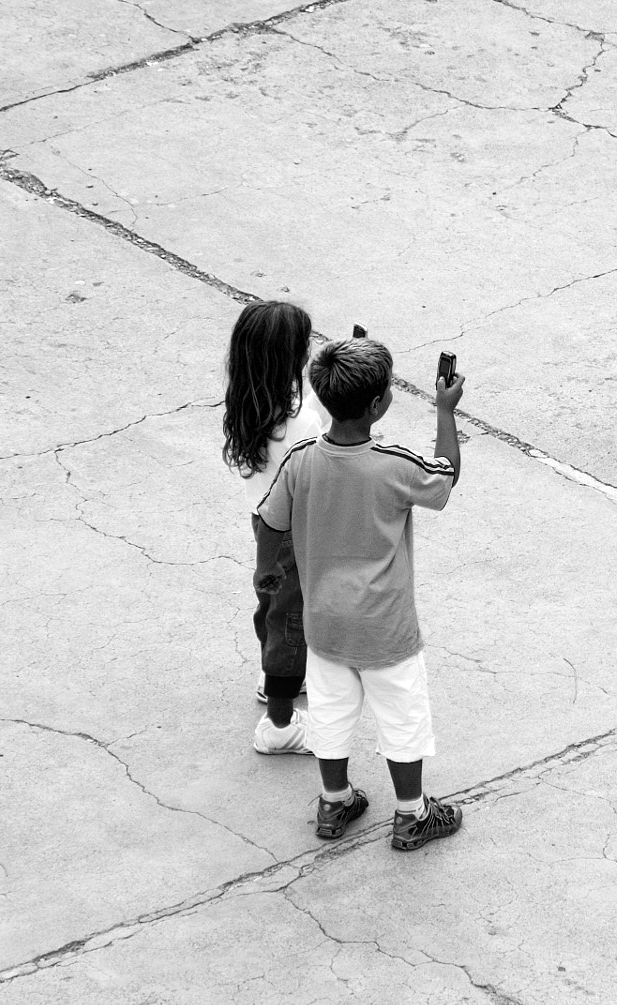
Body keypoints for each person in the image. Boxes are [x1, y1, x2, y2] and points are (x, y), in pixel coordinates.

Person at [256, 337, 467, 849]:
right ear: (377, 405)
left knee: (329, 714)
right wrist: (444, 411)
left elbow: (269, 521)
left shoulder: (302, 460)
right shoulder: (394, 465)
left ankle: (334, 801)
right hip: (385, 627)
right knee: (402, 719)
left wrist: (269, 578)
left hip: (324, 623)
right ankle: (412, 814)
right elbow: (446, 477)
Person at [220, 300, 325, 755]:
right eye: (304, 346)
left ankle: (271, 676)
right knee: (292, 622)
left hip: (264, 524)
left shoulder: (249, 401)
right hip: (293, 532)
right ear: (289, 358)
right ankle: (279, 726)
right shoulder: (297, 423)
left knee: (272, 606)